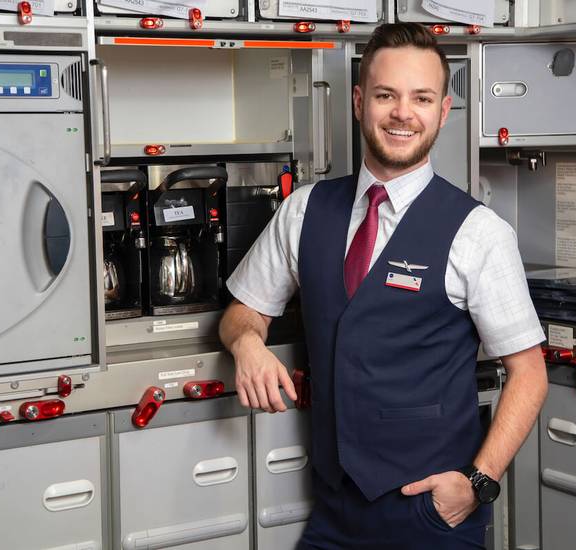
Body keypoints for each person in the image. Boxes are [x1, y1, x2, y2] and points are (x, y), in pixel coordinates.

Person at [219, 22, 548, 549]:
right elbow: (243, 311)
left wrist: (479, 482)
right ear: (358, 102)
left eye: (421, 98)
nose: (402, 113)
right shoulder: (305, 209)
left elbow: (528, 373)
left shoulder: (478, 233)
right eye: (385, 95)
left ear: (443, 111)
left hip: (432, 514)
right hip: (333, 510)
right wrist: (247, 343)